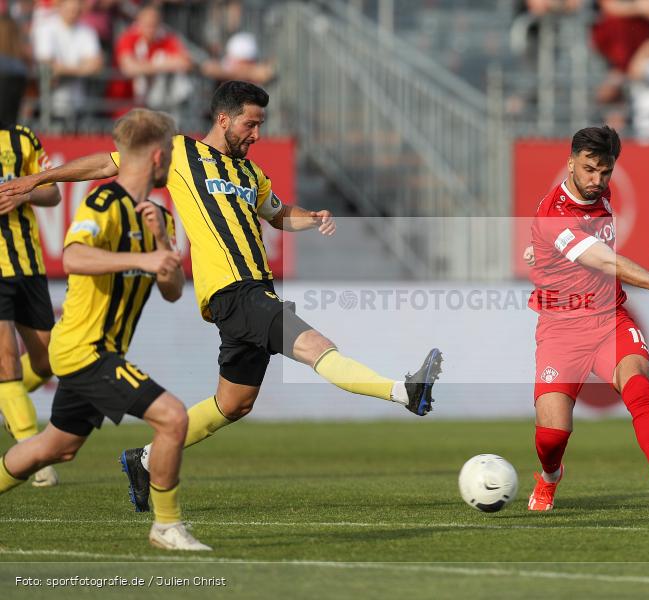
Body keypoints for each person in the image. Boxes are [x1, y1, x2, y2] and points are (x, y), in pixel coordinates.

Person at [0, 81, 443, 513]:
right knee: (316, 346)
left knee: (234, 404)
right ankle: (403, 391)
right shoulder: (180, 153)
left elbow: (277, 214)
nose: (257, 134)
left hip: (256, 290)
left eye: (261, 125)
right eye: (251, 124)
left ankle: (145, 461)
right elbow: (106, 164)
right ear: (224, 119)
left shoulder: (251, 174)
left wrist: (310, 217)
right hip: (232, 291)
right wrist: (37, 178)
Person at [0, 108, 211, 551]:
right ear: (158, 157)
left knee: (56, 447)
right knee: (173, 418)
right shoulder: (103, 203)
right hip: (85, 350)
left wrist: (161, 245)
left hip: (101, 350)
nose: (172, 161)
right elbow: (73, 256)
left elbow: (172, 291)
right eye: (170, 153)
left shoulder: (158, 216)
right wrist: (143, 258)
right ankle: (166, 526)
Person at [522, 126, 649, 511]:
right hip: (560, 330)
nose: (597, 180)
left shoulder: (600, 193)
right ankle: (550, 478)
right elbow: (603, 259)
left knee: (638, 385)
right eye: (589, 170)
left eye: (605, 172)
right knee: (552, 437)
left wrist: (538, 248)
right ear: (570, 163)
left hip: (608, 319)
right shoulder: (556, 214)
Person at [0, 82, 61, 488]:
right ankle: (32, 455)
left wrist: (24, 195)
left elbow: (53, 193)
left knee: (47, 363)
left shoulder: (23, 138)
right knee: (6, 359)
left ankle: (10, 403)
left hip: (29, 264)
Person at [106, 5, 193, 116]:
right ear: (139, 22)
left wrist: (147, 66)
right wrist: (161, 64)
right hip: (124, 104)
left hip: (155, 106)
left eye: (154, 24)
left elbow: (186, 62)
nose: (151, 28)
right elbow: (129, 68)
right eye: (147, 24)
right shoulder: (127, 38)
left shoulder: (166, 38)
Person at [31, 0, 104, 127]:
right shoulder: (45, 28)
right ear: (60, 6)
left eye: (76, 9)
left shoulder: (87, 31)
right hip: (50, 108)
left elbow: (97, 65)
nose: (73, 13)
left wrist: (63, 70)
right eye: (70, 9)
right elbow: (48, 67)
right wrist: (83, 68)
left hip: (81, 106)